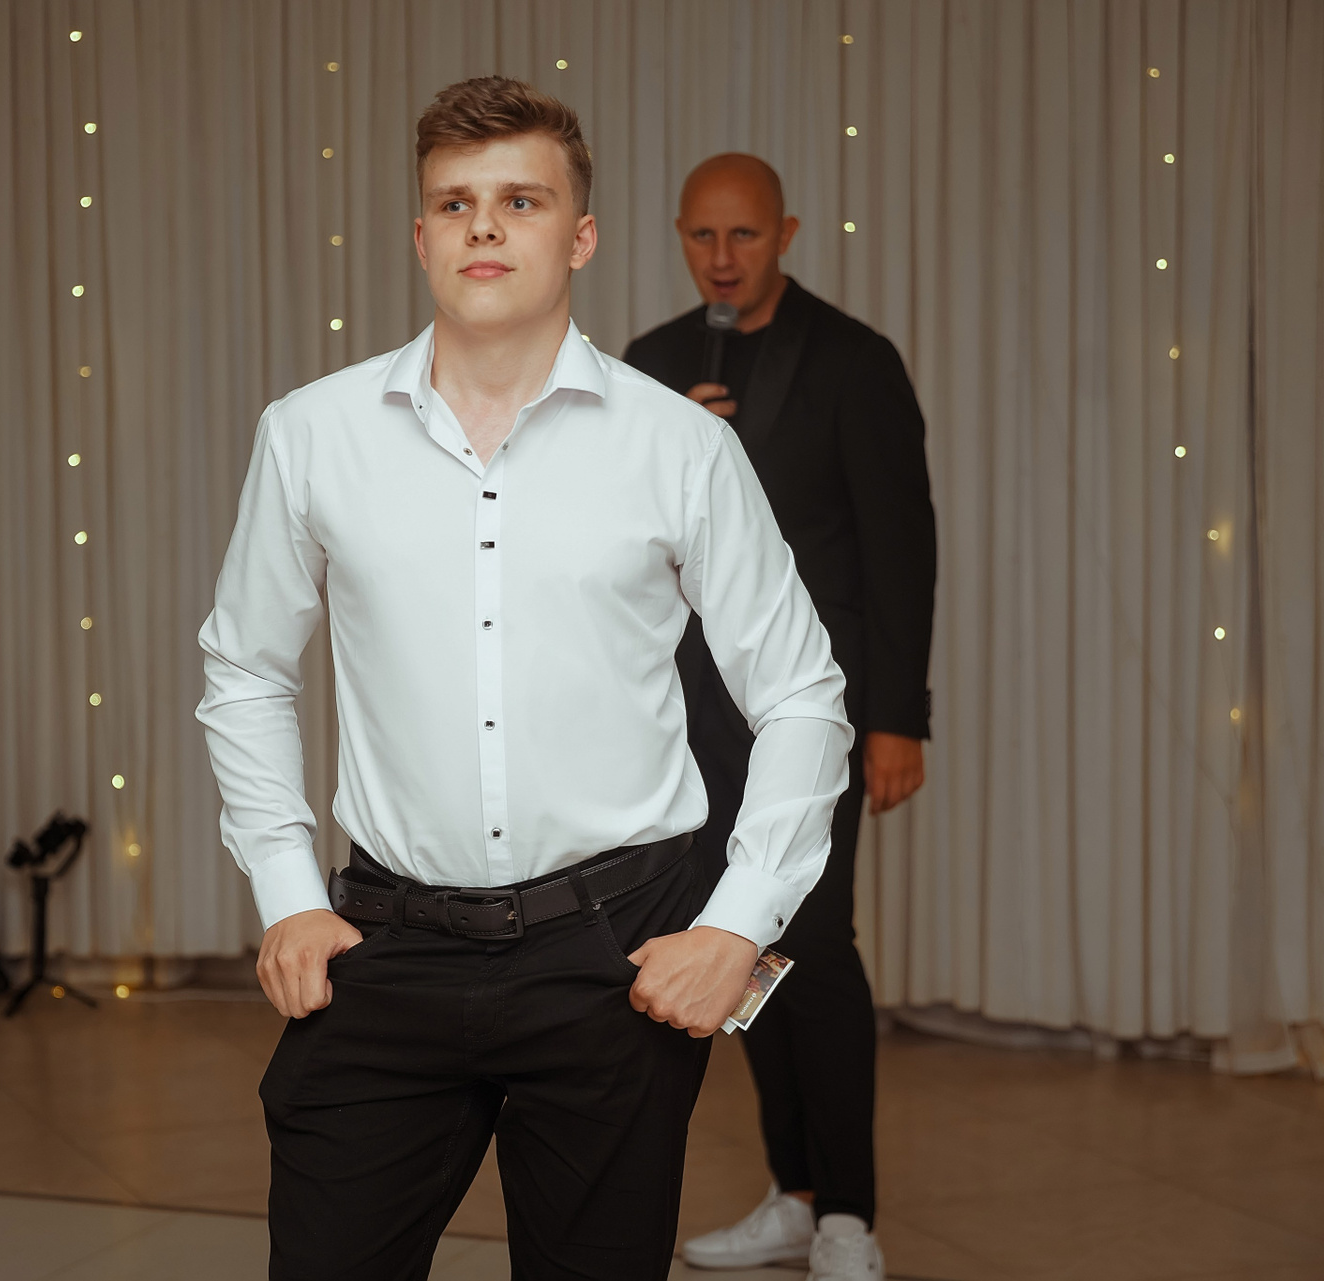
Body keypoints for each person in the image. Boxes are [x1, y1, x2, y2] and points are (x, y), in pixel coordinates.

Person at [196, 82, 854, 1280]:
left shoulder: (681, 446)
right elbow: (243, 668)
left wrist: (735, 923)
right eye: (456, 204)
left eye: (521, 201)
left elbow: (804, 693)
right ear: (422, 237)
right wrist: (286, 892)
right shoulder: (311, 435)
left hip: (614, 957)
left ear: (580, 237)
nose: (486, 227)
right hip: (388, 946)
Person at [623, 154, 937, 1281]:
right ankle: (794, 1193)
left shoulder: (854, 360)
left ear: (786, 233)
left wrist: (898, 717)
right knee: (737, 943)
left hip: (820, 710)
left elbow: (899, 549)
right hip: (687, 715)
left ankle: (848, 1212)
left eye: (744, 235)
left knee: (819, 944)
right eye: (702, 236)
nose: (721, 258)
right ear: (677, 235)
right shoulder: (650, 366)